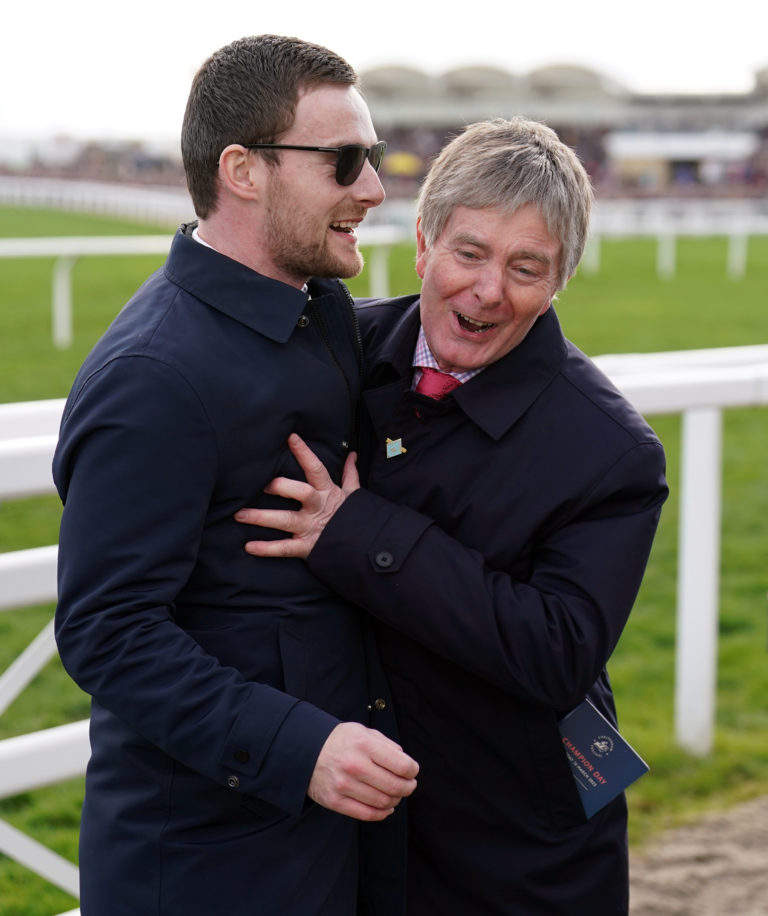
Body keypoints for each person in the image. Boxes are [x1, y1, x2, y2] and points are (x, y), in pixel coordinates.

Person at [236, 117, 669, 914]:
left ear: (561, 279)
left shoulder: (612, 452)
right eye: (470, 252)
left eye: (526, 267)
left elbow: (556, 650)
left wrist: (358, 535)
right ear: (424, 242)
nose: (489, 290)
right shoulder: (334, 351)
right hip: (334, 825)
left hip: (512, 852)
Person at [52, 34, 418, 916]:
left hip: (333, 838)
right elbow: (108, 630)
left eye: (370, 158)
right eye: (344, 161)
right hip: (209, 863)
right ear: (243, 171)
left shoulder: (318, 309)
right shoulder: (154, 375)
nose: (372, 187)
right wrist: (302, 748)